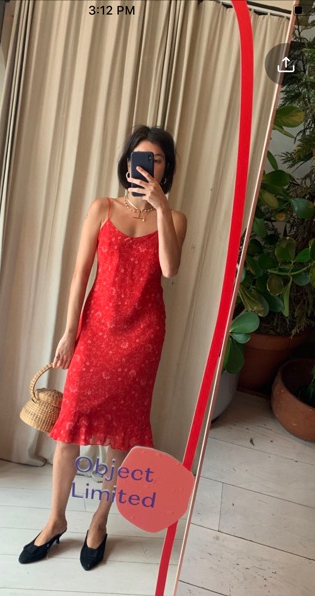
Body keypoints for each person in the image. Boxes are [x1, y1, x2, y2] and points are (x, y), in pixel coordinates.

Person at [19, 125, 187, 570]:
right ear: (127, 162)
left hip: (142, 339)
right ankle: (56, 520)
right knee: (69, 431)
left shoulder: (175, 219)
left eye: (157, 160)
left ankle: (99, 521)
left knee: (122, 438)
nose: (148, 166)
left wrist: (161, 207)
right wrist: (69, 332)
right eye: (141, 157)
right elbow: (80, 275)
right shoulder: (102, 208)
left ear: (166, 169)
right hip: (95, 333)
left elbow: (170, 270)